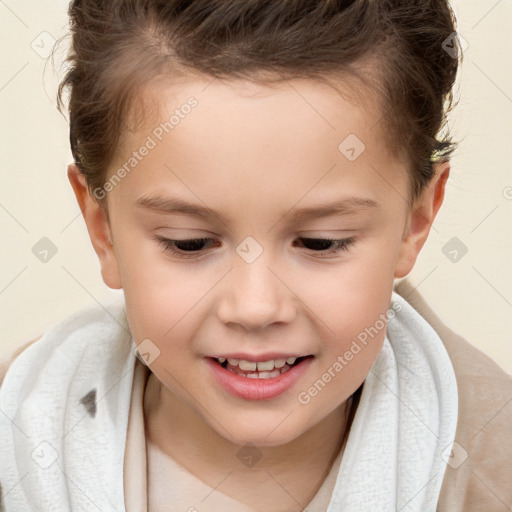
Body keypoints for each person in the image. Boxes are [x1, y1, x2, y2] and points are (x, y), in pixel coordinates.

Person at [0, 1, 511, 511]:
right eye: (188, 243)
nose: (255, 307)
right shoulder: (18, 424)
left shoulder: (493, 466)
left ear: (415, 221)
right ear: (103, 229)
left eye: (322, 243)